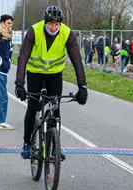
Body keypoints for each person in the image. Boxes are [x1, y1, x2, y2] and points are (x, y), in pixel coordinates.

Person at [14, 5, 88, 159]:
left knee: (55, 108)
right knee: (33, 106)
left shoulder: (67, 34)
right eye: (50, 24)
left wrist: (82, 86)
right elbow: (23, 57)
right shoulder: (34, 31)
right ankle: (27, 143)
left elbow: (77, 60)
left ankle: (54, 146)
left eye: (56, 24)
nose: (53, 27)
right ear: (45, 22)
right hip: (35, 73)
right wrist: (19, 84)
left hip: (54, 75)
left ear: (60, 23)